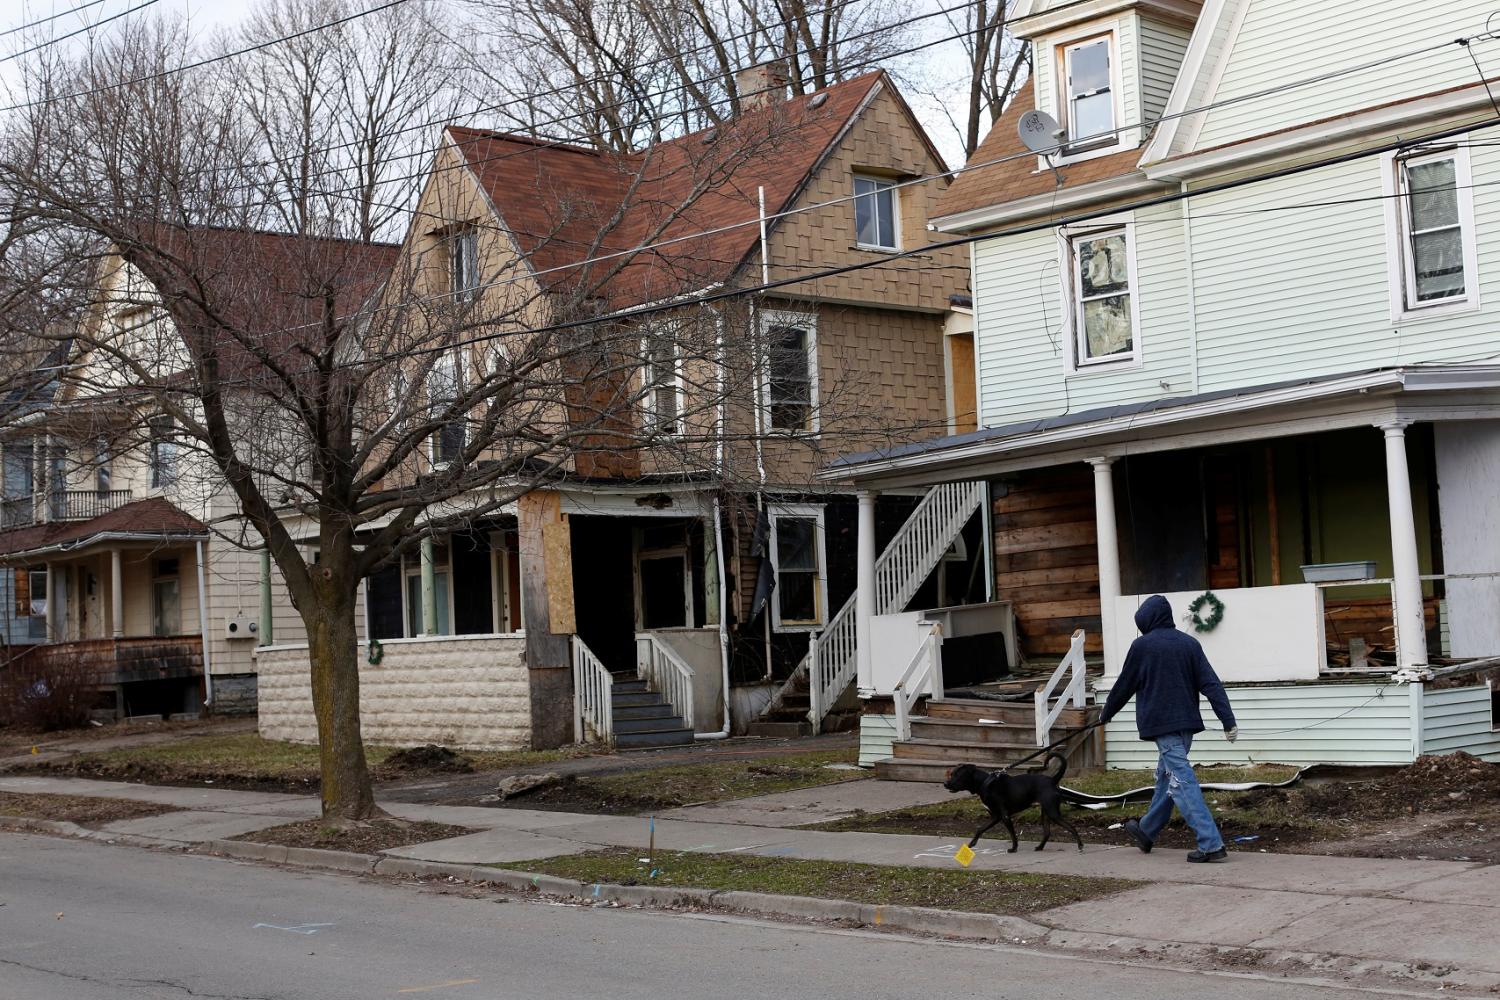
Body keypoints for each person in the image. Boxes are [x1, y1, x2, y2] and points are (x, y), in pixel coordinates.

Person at [1098, 594, 1239, 863]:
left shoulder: (1142, 646)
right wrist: (1227, 720)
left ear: (1147, 621)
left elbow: (1123, 686)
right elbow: (1211, 684)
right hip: (1186, 727)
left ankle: (1211, 844)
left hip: (1163, 727)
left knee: (1182, 781)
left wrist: (1106, 714)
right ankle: (1147, 830)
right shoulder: (1189, 644)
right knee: (1168, 778)